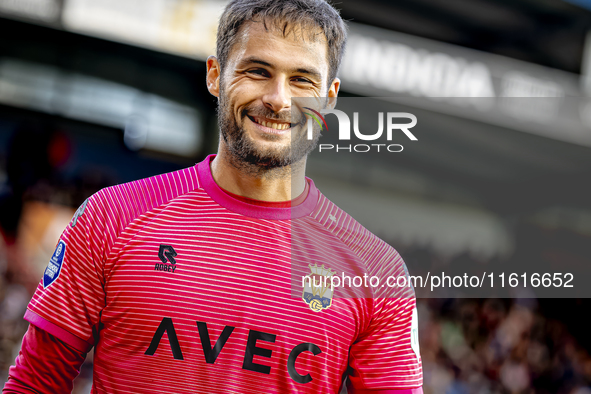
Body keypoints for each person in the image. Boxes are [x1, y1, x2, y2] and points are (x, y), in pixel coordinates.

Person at [3, 0, 423, 392]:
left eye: (301, 80)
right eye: (257, 71)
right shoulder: (113, 217)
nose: (278, 99)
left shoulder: (375, 271)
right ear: (215, 75)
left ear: (328, 98)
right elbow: (35, 382)